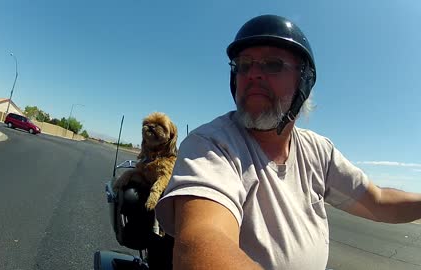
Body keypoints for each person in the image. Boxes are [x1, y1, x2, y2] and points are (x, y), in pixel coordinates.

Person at [154, 14, 421, 270]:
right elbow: (204, 243)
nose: (253, 74)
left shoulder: (318, 151)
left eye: (272, 64)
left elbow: (379, 200)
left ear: (304, 82)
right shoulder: (211, 145)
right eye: (244, 65)